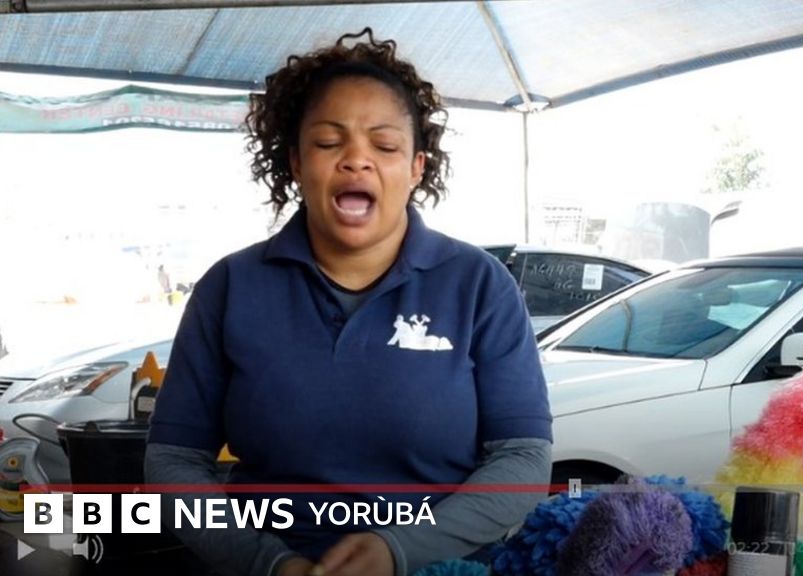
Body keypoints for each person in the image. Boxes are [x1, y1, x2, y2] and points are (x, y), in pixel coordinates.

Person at [145, 28, 553, 576]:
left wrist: (400, 551)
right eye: (327, 142)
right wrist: (269, 563)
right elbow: (173, 461)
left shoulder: (479, 285)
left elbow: (523, 459)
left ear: (416, 167)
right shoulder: (230, 286)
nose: (357, 160)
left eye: (384, 146)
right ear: (295, 162)